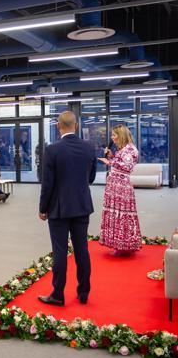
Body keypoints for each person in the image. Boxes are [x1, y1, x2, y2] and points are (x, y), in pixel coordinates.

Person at [38, 111, 97, 307]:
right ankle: (83, 292)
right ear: (76, 126)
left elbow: (47, 184)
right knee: (82, 250)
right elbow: (91, 178)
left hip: (59, 208)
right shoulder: (89, 147)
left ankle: (58, 295)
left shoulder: (52, 150)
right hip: (82, 205)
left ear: (58, 126)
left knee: (60, 251)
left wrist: (43, 208)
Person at [98, 124, 142, 255]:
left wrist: (110, 162)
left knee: (122, 215)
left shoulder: (130, 149)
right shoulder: (123, 149)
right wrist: (111, 156)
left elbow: (127, 167)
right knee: (116, 214)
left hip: (121, 187)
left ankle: (123, 246)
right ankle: (119, 245)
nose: (112, 137)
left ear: (121, 135)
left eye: (114, 135)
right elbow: (120, 164)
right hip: (115, 186)